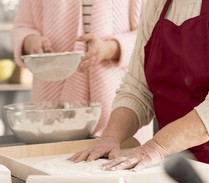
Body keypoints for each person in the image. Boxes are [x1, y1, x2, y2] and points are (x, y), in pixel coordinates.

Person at [69, 0, 209, 171]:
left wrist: (157, 146)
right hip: (186, 162)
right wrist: (110, 137)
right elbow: (137, 88)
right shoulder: (159, 3)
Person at [12, 0, 152, 142]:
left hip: (122, 99)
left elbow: (153, 34)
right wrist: (30, 41)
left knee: (123, 157)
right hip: (54, 103)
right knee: (53, 158)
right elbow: (23, 27)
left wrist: (111, 48)